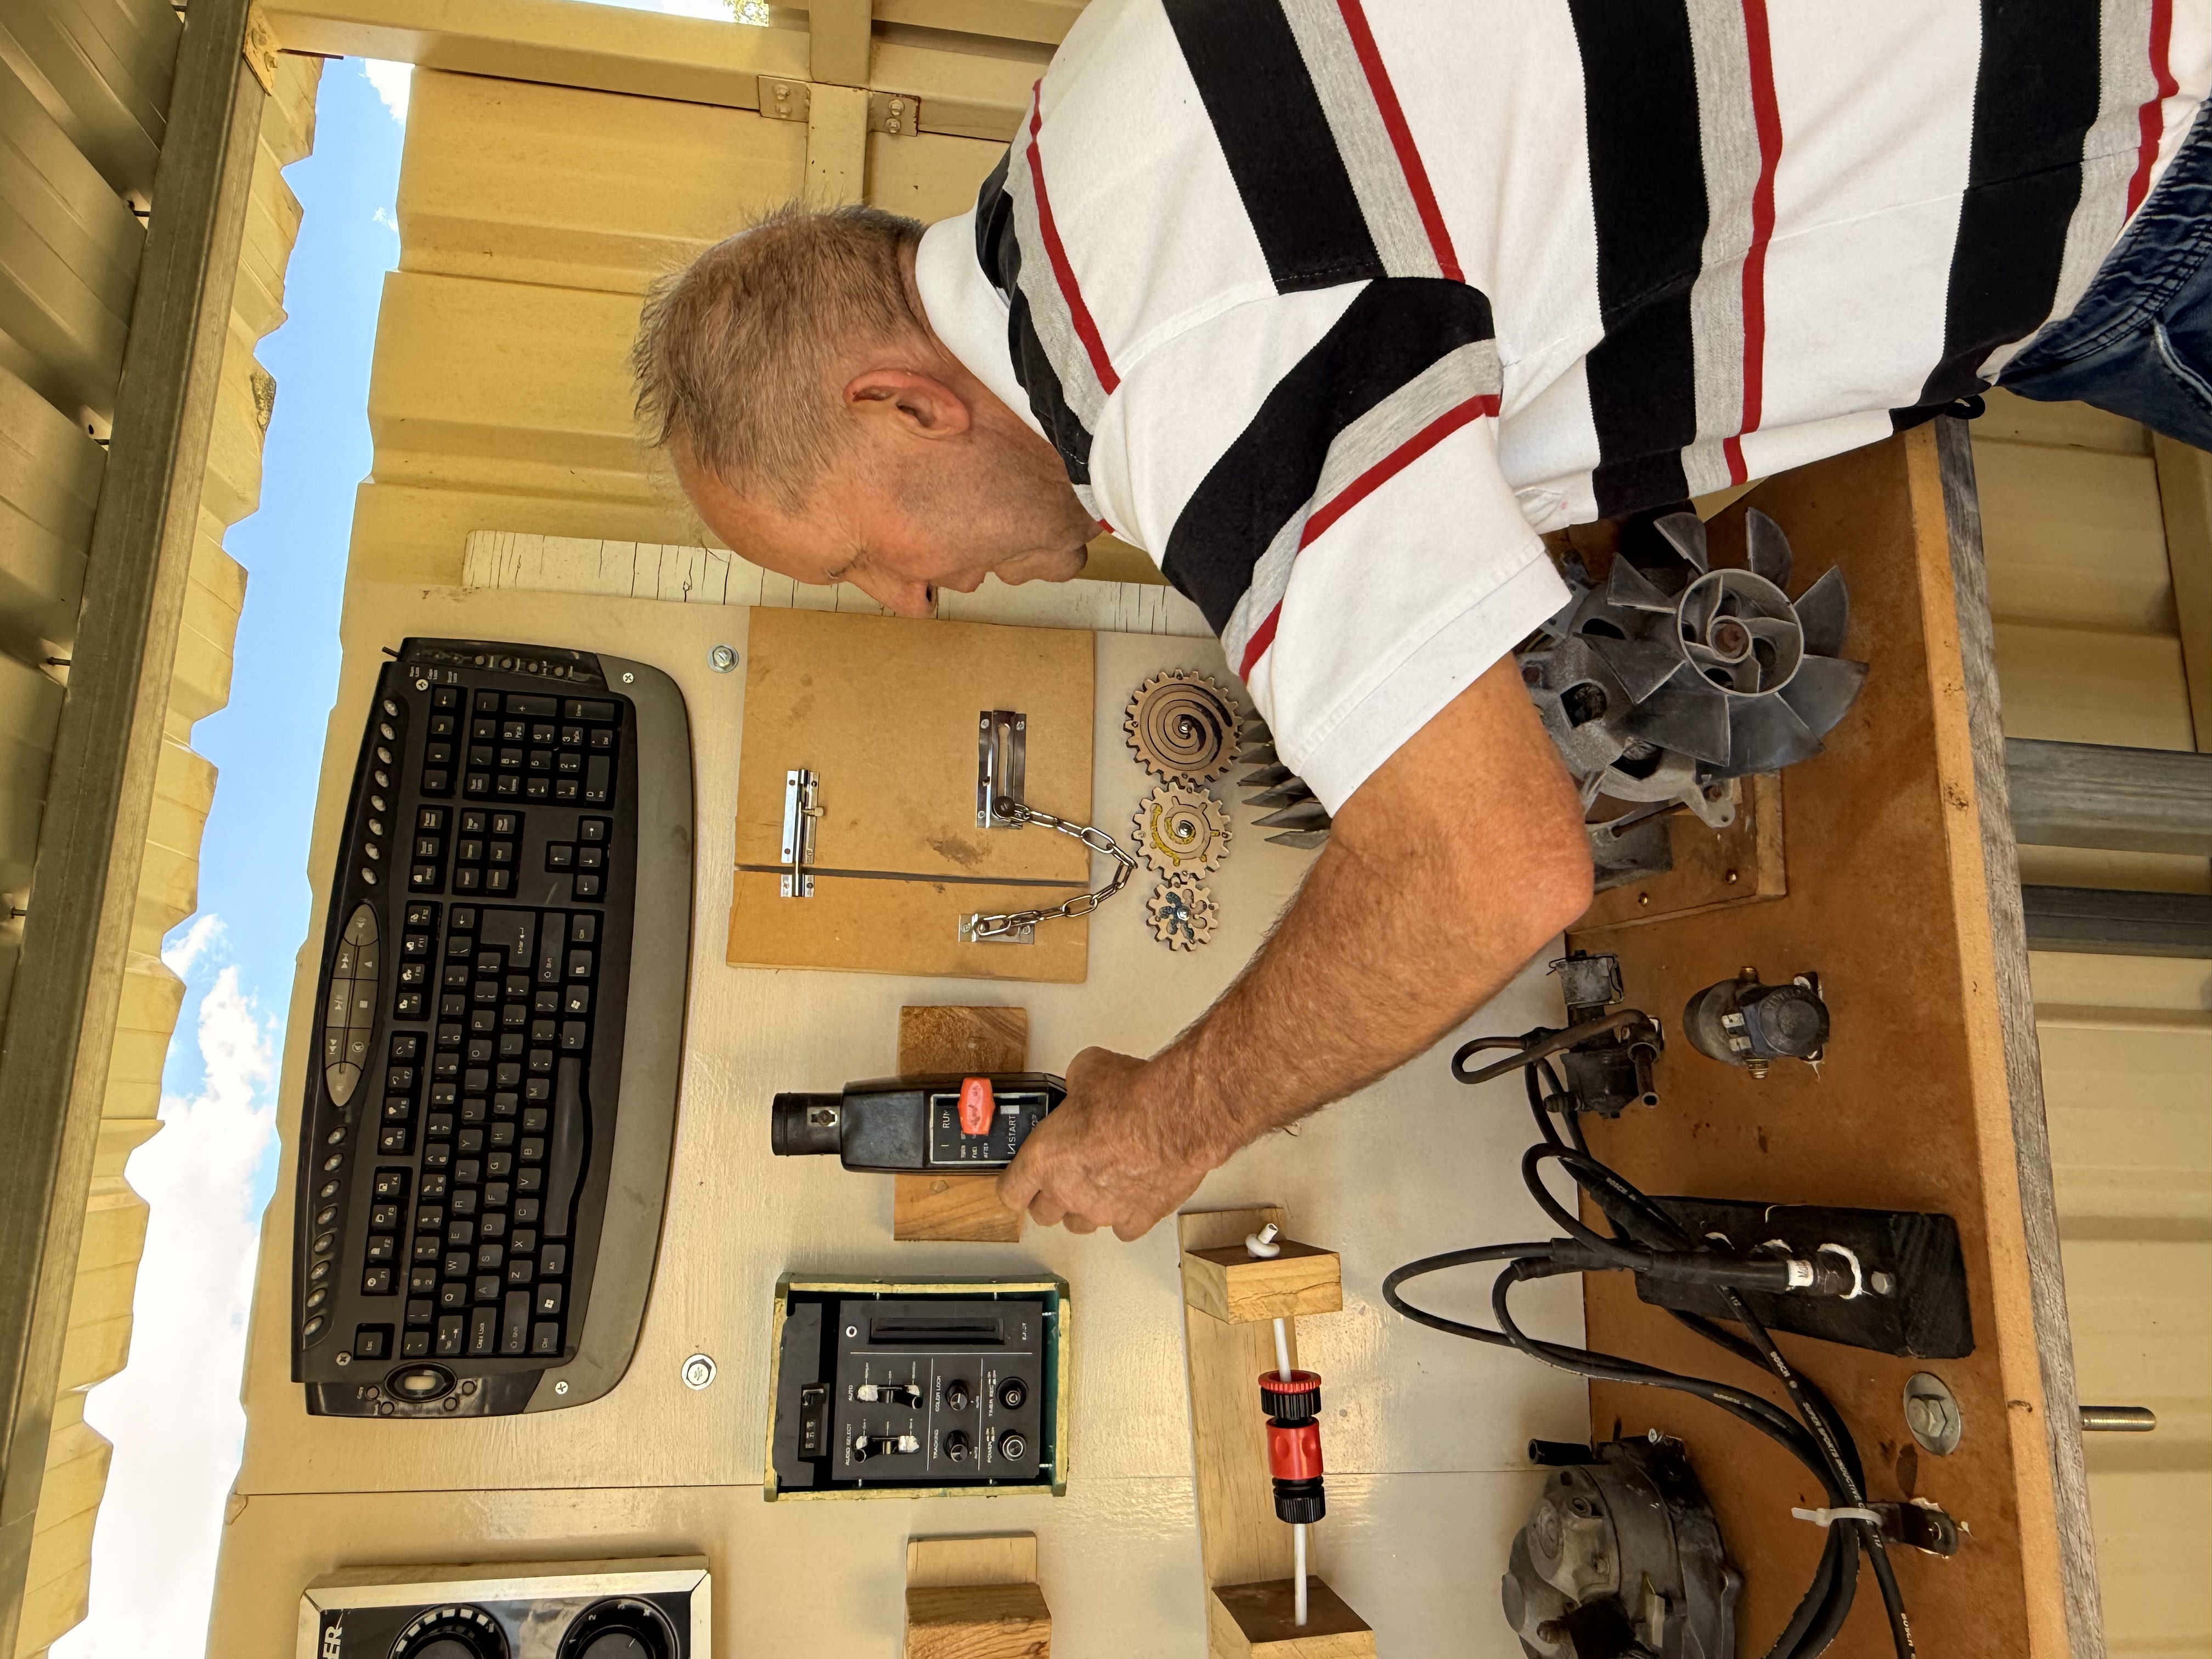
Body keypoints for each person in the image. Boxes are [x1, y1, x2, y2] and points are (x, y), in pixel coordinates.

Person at [630, 0, 2211, 1239]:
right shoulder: (1109, 98)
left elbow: (1488, 871)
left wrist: (1173, 1118)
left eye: (856, 559)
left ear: (902, 404)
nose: (903, 604)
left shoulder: (1160, 374)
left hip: (2138, 156)